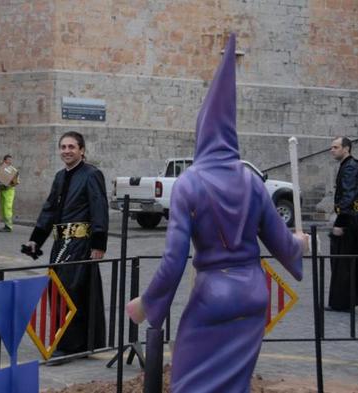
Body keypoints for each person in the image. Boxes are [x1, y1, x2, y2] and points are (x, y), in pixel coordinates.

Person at [126, 35, 309, 392]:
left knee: (189, 382)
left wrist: (147, 304)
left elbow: (173, 261)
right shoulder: (252, 181)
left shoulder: (189, 184)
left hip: (214, 295)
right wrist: (299, 244)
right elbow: (282, 242)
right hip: (254, 295)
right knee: (233, 385)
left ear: (201, 132)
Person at [23, 131, 108, 358]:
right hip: (60, 244)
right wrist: (35, 240)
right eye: (63, 147)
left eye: (71, 147)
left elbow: (99, 208)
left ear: (81, 150)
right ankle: (75, 342)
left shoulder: (92, 174)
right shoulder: (60, 176)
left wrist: (98, 243)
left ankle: (71, 346)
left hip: (81, 244)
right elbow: (49, 209)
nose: (67, 151)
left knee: (72, 292)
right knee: (57, 290)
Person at [328, 136, 358, 312]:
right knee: (342, 262)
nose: (332, 150)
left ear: (346, 148)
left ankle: (343, 303)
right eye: (332, 147)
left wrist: (339, 222)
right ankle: (343, 301)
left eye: (336, 147)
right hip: (348, 218)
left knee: (343, 262)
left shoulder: (350, 168)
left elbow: (348, 196)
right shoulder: (347, 166)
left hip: (349, 221)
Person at [0, 154, 19, 232]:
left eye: (10, 160)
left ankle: (9, 226)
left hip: (9, 191)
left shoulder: (13, 170)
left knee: (7, 208)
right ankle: (6, 225)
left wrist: (10, 183)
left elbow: (16, 182)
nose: (10, 161)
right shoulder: (2, 169)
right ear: (4, 161)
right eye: (8, 160)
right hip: (3, 190)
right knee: (3, 209)